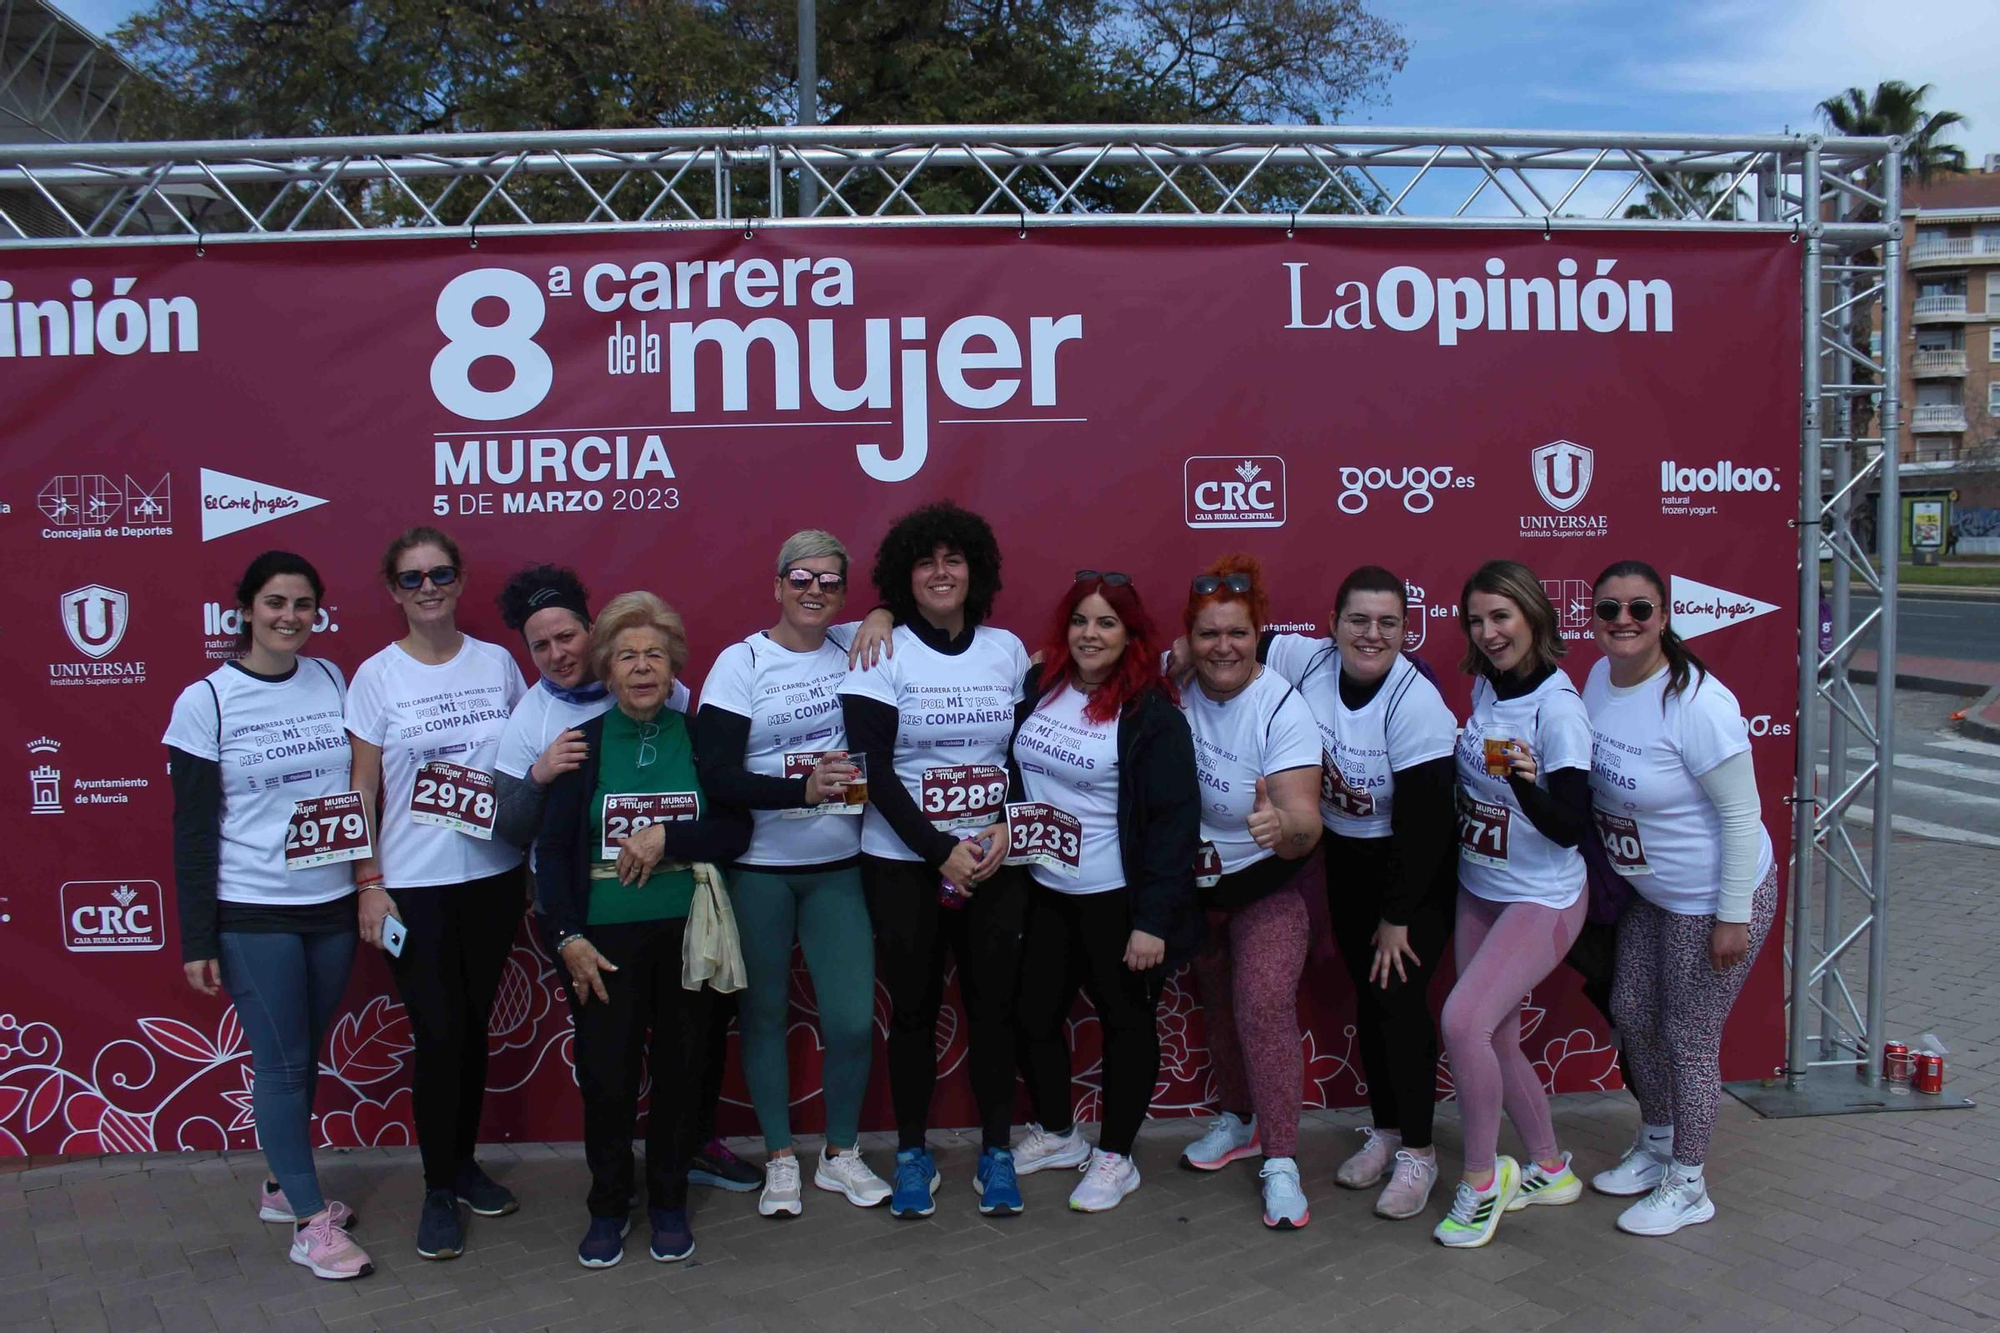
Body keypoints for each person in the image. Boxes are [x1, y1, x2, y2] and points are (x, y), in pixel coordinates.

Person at [488, 568, 758, 1198]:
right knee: (607, 1073)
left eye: (655, 657)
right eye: (629, 657)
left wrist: (670, 836)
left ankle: (669, 1197)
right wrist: (567, 935)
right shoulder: (569, 741)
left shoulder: (692, 731)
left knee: (683, 1065)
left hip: (690, 931)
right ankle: (608, 1203)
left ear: (673, 670)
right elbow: (543, 845)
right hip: (597, 935)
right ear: (609, 668)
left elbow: (734, 827)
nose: (642, 668)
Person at [164, 551, 372, 1281]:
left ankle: (283, 1186)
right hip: (252, 910)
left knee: (301, 1052)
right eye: (276, 602)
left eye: (303, 604)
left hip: (332, 904)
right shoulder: (207, 700)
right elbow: (191, 830)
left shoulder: (329, 678)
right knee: (282, 1062)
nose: (290, 616)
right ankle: (312, 1225)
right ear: (246, 608)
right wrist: (197, 936)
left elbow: (354, 783)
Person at [837, 502, 1033, 1218]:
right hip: (903, 861)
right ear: (903, 576)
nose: (942, 571)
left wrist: (1006, 827)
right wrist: (938, 850)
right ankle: (913, 1152)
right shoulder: (879, 648)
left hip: (992, 861)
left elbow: (1022, 755)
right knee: (913, 1012)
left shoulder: (1007, 649)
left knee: (995, 1011)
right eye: (926, 560)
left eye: (954, 558)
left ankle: (997, 1151)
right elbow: (872, 772)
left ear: (974, 569)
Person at [692, 531, 891, 1218]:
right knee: (764, 1016)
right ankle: (780, 1156)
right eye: (801, 577)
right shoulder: (742, 661)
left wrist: (883, 613)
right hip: (761, 869)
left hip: (837, 866)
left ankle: (840, 1154)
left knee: (850, 1020)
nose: (814, 590)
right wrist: (798, 791)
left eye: (831, 581)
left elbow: (903, 626)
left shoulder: (855, 645)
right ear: (777, 584)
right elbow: (715, 775)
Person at [345, 526, 528, 1261]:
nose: (428, 588)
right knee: (440, 1033)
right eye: (412, 578)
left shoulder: (498, 663)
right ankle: (436, 1191)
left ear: (459, 579)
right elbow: (361, 786)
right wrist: (367, 880)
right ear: (394, 590)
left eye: (440, 573)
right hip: (412, 886)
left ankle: (463, 1164)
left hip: (492, 878)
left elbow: (518, 766)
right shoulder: (376, 676)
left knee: (474, 1027)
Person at [1583, 560, 1777, 1236]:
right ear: (1595, 618)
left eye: (1640, 609)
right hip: (1652, 893)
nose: (1624, 622)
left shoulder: (1697, 704)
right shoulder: (1598, 680)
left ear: (1664, 616)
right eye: (1610, 610)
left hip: (1716, 895)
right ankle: (1659, 1144)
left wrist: (1732, 916)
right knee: (1632, 1012)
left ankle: (1690, 1184)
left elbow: (1740, 814)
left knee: (1688, 1036)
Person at [1258, 566, 1458, 1221]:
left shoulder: (1415, 701)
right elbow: (1231, 642)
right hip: (1344, 856)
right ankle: (1390, 1131)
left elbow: (1427, 823)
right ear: (1334, 624)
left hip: (1412, 868)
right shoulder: (1304, 657)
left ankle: (1422, 1154)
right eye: (1359, 620)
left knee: (1400, 1002)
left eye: (1388, 623)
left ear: (1406, 630)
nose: (1372, 634)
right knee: (1370, 1004)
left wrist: (1398, 916)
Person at [1007, 571, 1202, 1212]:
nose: (1091, 634)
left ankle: (1116, 1155)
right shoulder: (1044, 684)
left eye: (1107, 623)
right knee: (1035, 1017)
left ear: (1130, 635)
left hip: (1116, 898)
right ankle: (1062, 1134)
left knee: (1126, 1025)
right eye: (1081, 621)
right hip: (1044, 888)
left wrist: (1153, 921)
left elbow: (1175, 823)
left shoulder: (1151, 711)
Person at [1433, 560, 1591, 1249]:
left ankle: (1480, 1179)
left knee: (1463, 1019)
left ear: (1533, 616)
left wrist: (1525, 782)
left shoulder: (1558, 708)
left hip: (1543, 897)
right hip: (1482, 886)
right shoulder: (1485, 686)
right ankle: (1550, 1167)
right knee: (1495, 1036)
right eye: (1477, 619)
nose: (1490, 631)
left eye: (1502, 616)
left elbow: (1569, 824)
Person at [1175, 556, 1323, 1230]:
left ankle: (1283, 1161)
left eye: (1236, 632)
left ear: (1257, 633)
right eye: (1208, 634)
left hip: (1267, 884)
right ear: (1188, 640)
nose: (1223, 646)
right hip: (1196, 888)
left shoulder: (1282, 707)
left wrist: (1283, 826)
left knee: (1262, 1003)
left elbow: (1306, 824)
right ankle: (1236, 1121)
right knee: (1219, 1004)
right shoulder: (1173, 682)